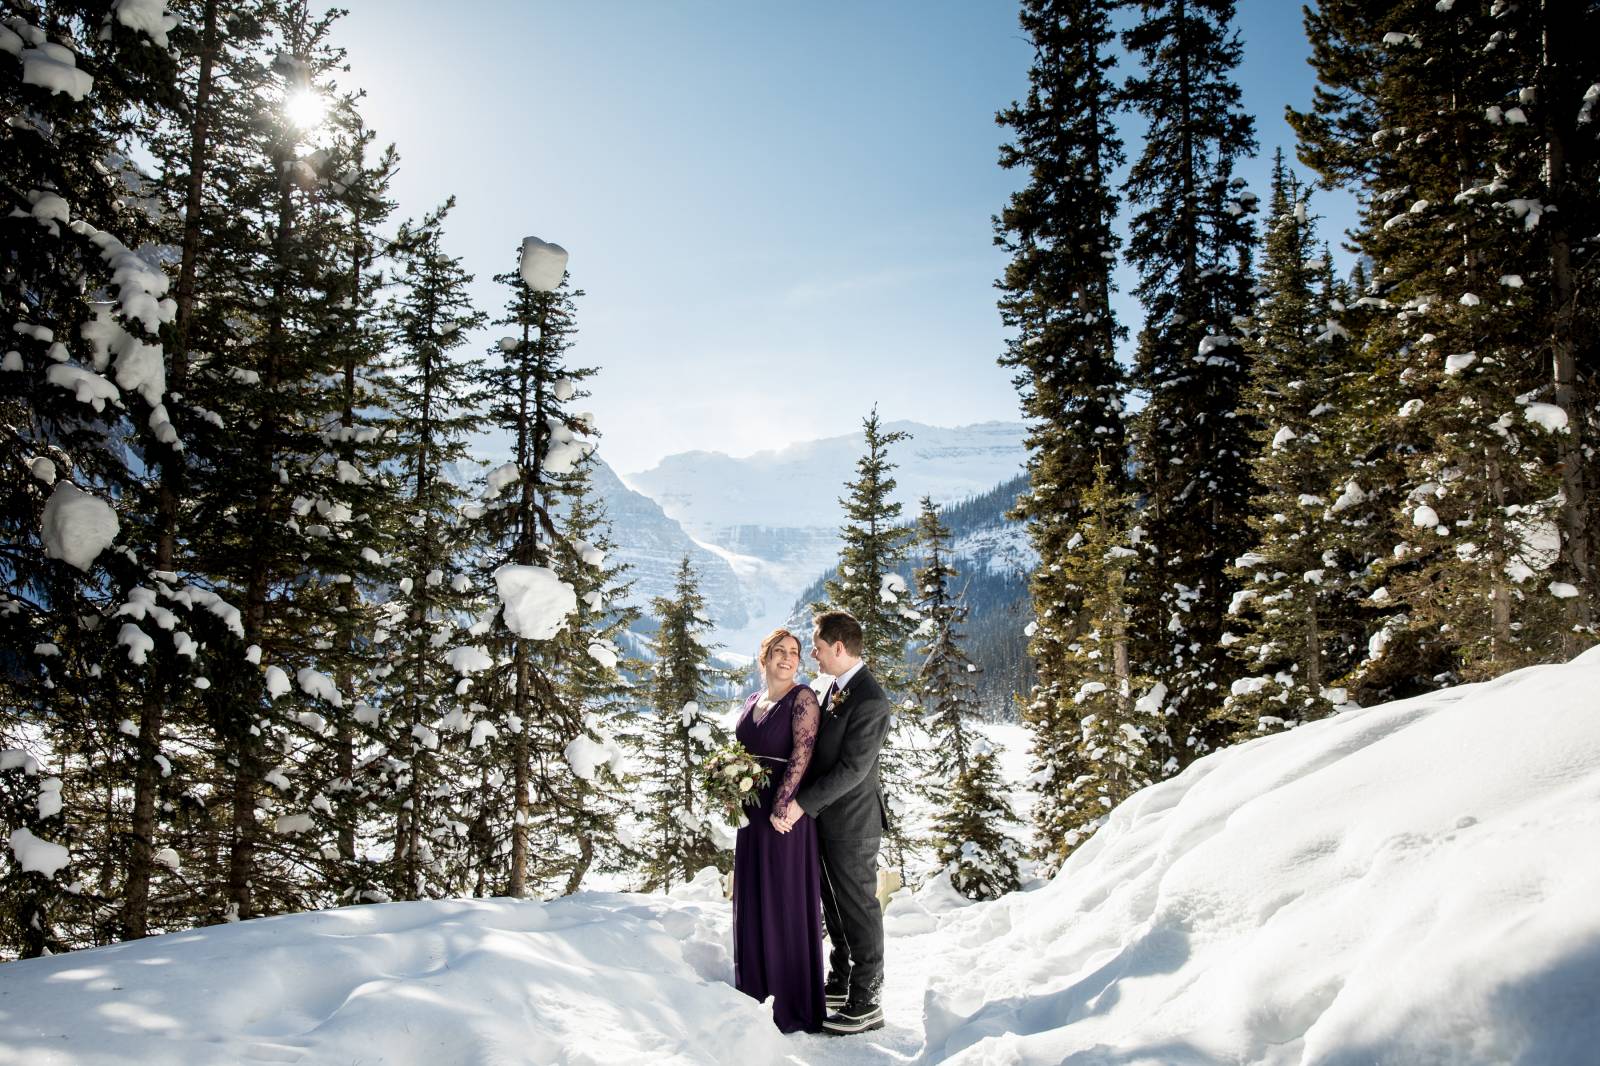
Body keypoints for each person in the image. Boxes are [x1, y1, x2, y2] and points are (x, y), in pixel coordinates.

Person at [773, 609, 892, 1036]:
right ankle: (841, 982)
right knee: (836, 906)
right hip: (829, 819)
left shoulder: (871, 699)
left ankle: (868, 1000)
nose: (815, 658)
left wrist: (802, 804)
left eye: (819, 649)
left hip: (853, 823)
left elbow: (853, 769)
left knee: (859, 907)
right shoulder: (836, 689)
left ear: (838, 648)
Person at [732, 627, 824, 1033]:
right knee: (754, 897)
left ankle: (791, 1003)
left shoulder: (802, 698)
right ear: (764, 657)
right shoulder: (754, 699)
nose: (788, 658)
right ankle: (756, 991)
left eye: (795, 652)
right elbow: (743, 753)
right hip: (751, 813)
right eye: (779, 651)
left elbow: (803, 753)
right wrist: (729, 784)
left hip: (783, 815)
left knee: (784, 899)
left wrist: (784, 804)